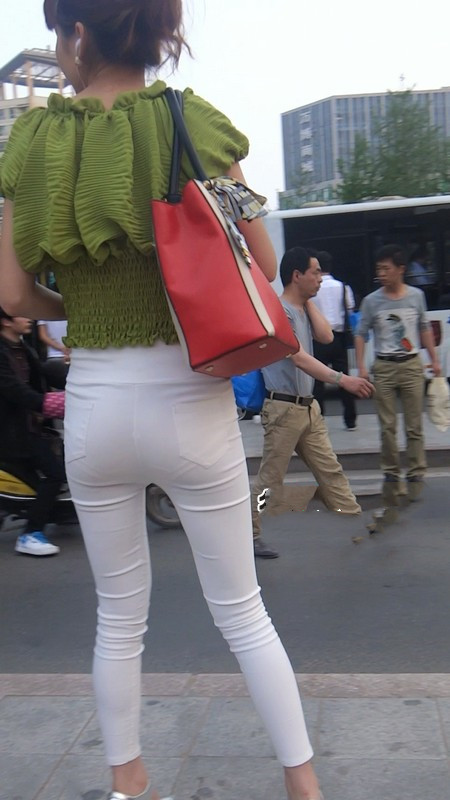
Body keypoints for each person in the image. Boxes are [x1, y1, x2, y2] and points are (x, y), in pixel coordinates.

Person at [0, 3, 324, 799]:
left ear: (77, 32)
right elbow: (261, 259)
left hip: (96, 407)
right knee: (242, 611)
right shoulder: (196, 122)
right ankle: (304, 785)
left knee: (118, 617)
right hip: (192, 395)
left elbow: (12, 293)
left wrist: (80, 307)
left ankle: (129, 785)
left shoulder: (35, 141)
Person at [251, 247, 373, 560]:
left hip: (307, 407)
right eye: (315, 272)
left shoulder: (302, 308)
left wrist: (307, 300)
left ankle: (358, 521)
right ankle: (249, 534)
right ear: (297, 275)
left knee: (330, 470)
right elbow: (300, 359)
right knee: (270, 481)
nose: (321, 278)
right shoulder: (279, 313)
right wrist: (343, 380)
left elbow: (327, 337)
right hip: (283, 410)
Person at [355, 244, 441, 517]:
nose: (381, 274)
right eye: (378, 269)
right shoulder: (372, 301)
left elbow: (424, 328)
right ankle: (391, 472)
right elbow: (361, 333)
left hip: (412, 365)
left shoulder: (416, 296)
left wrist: (434, 359)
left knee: (414, 425)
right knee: (387, 426)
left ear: (401, 269)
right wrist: (361, 366)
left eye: (386, 268)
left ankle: (416, 472)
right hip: (384, 366)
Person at [0, 307, 66, 556]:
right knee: (54, 475)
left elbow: (44, 373)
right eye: (22, 314)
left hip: (30, 425)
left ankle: (57, 515)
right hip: (14, 431)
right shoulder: (4, 352)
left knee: (39, 480)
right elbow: (14, 389)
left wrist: (81, 382)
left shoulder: (22, 348)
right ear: (6, 322)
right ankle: (31, 533)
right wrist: (49, 404)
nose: (30, 318)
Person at [311, 250, 358, 430]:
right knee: (344, 378)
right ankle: (350, 419)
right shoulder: (343, 287)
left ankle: (319, 419)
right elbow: (350, 309)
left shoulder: (313, 288)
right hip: (339, 338)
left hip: (318, 338)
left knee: (318, 381)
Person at [37, 318, 71, 389]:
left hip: (59, 356)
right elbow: (43, 336)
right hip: (56, 356)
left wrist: (63, 348)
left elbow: (43, 335)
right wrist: (64, 349)